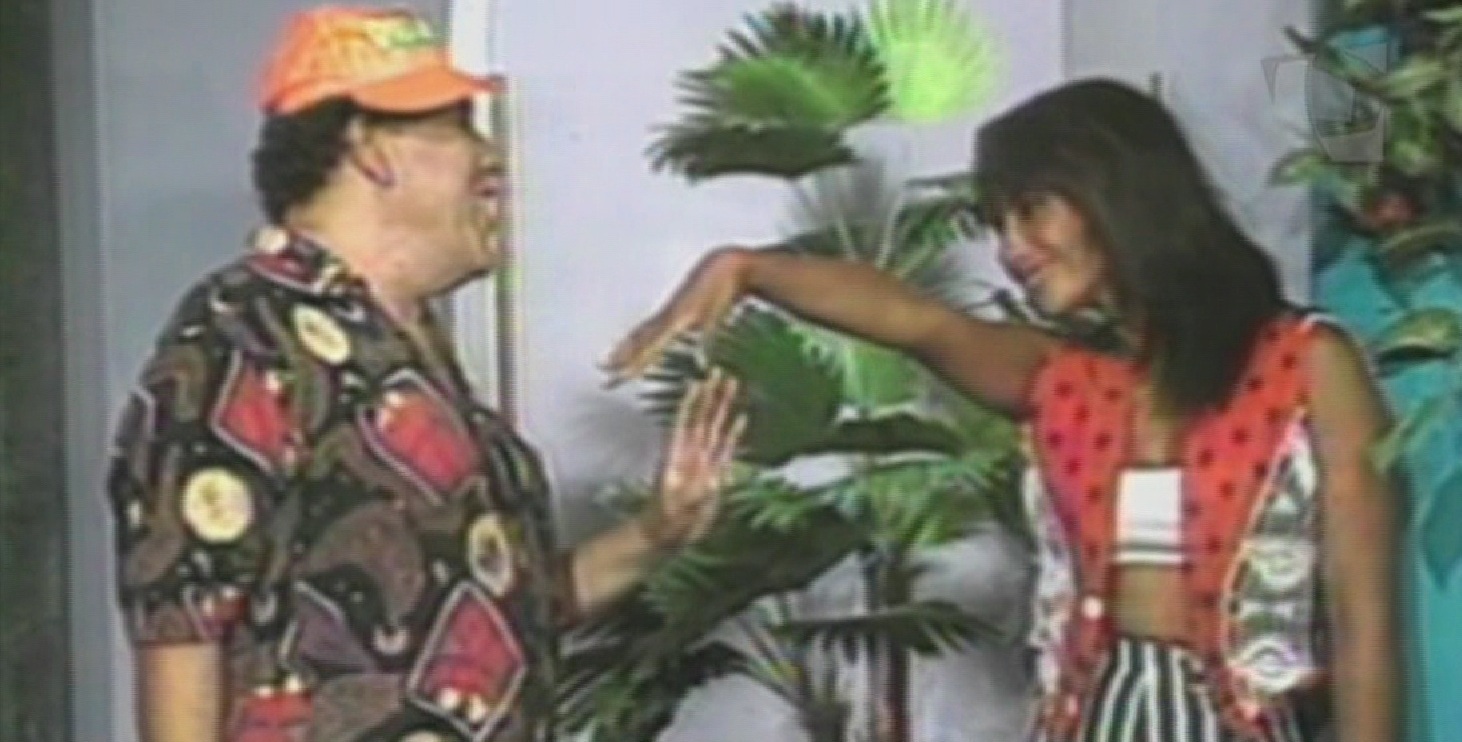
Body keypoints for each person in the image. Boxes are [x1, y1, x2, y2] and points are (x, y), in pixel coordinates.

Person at [605, 79, 1399, 742]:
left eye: (1031, 210)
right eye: (997, 224)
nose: (1011, 248)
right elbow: (918, 322)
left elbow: (1363, 623)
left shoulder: (1307, 362)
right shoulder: (1065, 380)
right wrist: (744, 268)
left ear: (1117, 190)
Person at [105, 7, 745, 742]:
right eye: (458, 128)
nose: (491, 158)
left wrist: (658, 532)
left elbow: (505, 621)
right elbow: (183, 623)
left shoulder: (413, 352)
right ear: (372, 150)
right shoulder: (244, 333)